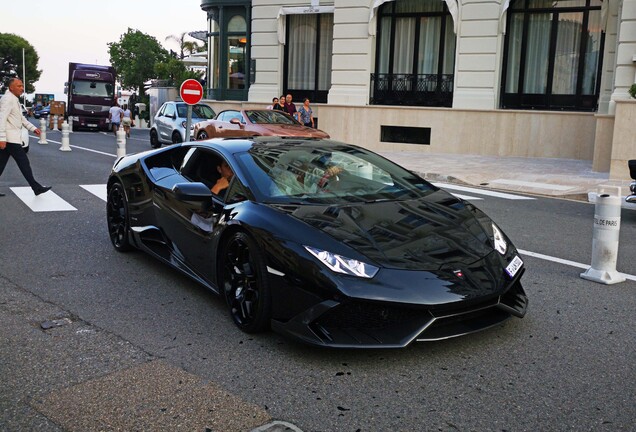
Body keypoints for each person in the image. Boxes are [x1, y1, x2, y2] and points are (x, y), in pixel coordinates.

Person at [0, 78, 51, 196]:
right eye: (19, 86)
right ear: (11, 87)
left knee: (1, 164)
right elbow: (1, 119)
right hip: (9, 139)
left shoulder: (14, 100)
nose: (22, 88)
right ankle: (36, 187)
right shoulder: (8, 99)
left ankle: (36, 187)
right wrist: (1, 138)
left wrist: (33, 128)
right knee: (24, 162)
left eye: (22, 86)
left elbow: (21, 119)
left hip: (10, 139)